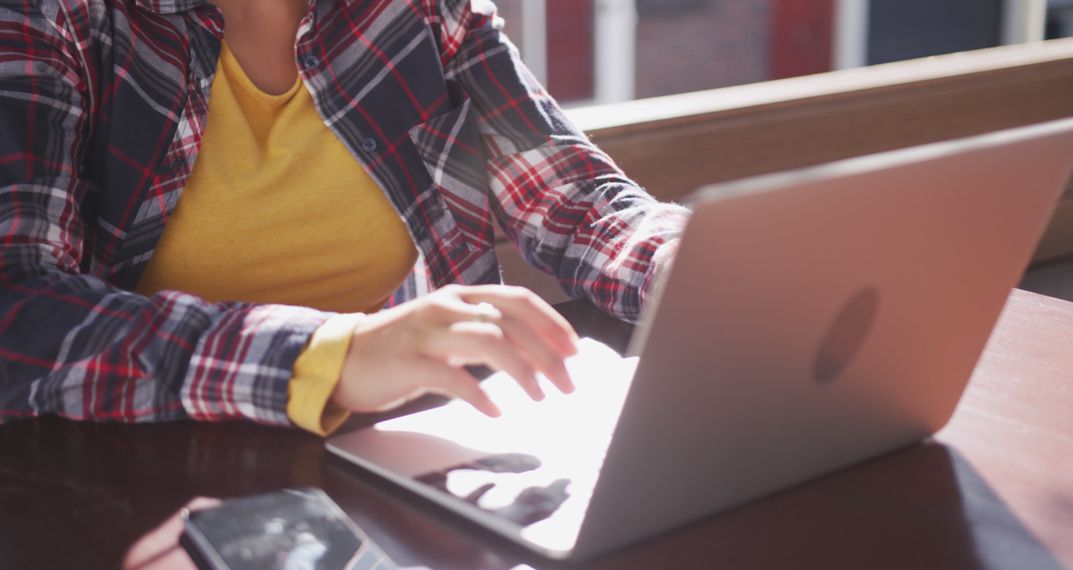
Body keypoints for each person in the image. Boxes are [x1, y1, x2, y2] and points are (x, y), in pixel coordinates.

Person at [0, 0, 687, 434]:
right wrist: (330, 355)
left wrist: (702, 269)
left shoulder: (417, 11)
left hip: (394, 458)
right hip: (151, 483)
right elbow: (16, 300)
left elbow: (571, 199)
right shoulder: (55, 16)